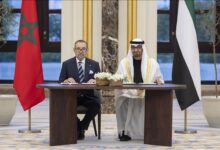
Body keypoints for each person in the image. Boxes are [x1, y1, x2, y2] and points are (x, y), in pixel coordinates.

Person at [115, 38, 164, 141]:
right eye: (133, 47)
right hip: (128, 93)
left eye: (138, 47)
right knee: (122, 100)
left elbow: (159, 79)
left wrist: (158, 81)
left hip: (146, 93)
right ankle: (124, 131)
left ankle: (150, 131)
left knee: (152, 100)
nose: (136, 50)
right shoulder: (124, 63)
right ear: (131, 49)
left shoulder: (152, 63)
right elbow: (118, 78)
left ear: (142, 49)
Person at [59, 40, 100, 140]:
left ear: (87, 51)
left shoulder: (94, 64)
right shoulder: (67, 64)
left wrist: (95, 80)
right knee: (65, 106)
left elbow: (101, 81)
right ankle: (79, 127)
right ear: (74, 50)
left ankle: (81, 127)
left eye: (83, 49)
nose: (80, 51)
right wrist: (66, 80)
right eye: (78, 49)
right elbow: (60, 80)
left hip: (88, 96)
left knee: (96, 105)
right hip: (73, 96)